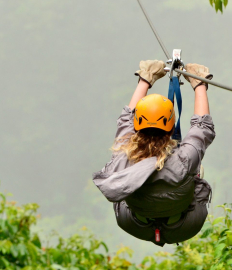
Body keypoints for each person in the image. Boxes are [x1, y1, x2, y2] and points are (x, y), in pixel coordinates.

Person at [92, 60, 215, 246]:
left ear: (137, 126)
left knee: (124, 180)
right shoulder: (185, 159)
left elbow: (126, 119)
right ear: (171, 127)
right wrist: (199, 85)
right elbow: (202, 128)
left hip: (133, 224)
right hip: (184, 227)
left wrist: (145, 79)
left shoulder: (123, 153)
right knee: (196, 170)